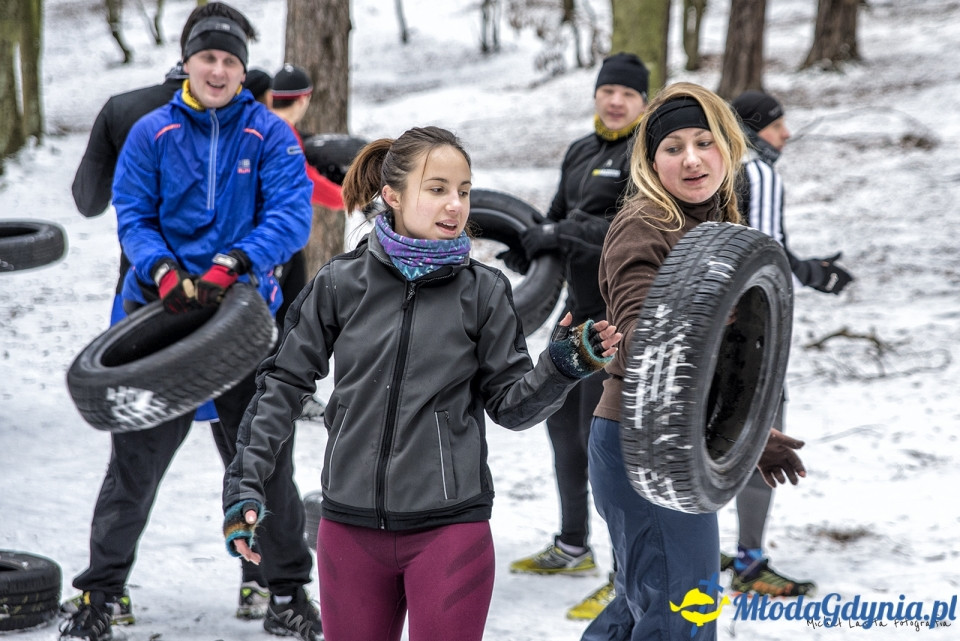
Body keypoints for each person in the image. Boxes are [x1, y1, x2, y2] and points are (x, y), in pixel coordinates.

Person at [220, 125, 623, 641]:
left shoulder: (484, 293)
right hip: (348, 528)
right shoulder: (340, 284)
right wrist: (245, 482)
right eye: (437, 189)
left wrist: (561, 367)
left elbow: (511, 406)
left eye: (463, 190)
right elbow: (281, 383)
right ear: (392, 195)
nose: (455, 205)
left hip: (450, 530)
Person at [60, 4, 320, 641]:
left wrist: (237, 259)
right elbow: (133, 214)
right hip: (159, 314)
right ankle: (101, 596)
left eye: (230, 61)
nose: (219, 69)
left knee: (263, 464)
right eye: (208, 57)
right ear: (188, 61)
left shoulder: (269, 135)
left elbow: (291, 215)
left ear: (240, 70)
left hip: (240, 325)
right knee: (134, 467)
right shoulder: (152, 132)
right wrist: (164, 270)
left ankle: (286, 592)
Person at [582, 82, 807, 641]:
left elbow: (725, 365)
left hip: (681, 443)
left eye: (704, 142)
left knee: (644, 606)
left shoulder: (717, 229)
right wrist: (700, 319)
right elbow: (638, 344)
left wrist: (745, 436)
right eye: (672, 147)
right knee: (683, 614)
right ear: (651, 162)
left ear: (727, 147)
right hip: (642, 449)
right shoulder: (645, 225)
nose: (691, 158)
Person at [498, 52, 649, 620]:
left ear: (641, 103)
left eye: (628, 95)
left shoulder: (645, 156)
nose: (615, 101)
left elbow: (623, 227)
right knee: (562, 429)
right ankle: (572, 545)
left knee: (604, 447)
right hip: (577, 313)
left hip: (620, 320)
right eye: (608, 90)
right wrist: (530, 244)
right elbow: (555, 218)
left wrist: (558, 231)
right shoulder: (580, 152)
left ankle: (624, 575)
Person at [718, 89, 853, 598]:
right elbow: (766, 259)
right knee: (764, 434)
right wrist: (808, 275)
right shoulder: (760, 173)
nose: (787, 134)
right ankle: (751, 563)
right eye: (778, 125)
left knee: (715, 435)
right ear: (757, 129)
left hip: (711, 329)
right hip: (755, 333)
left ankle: (706, 546)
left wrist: (813, 271)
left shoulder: (721, 171)